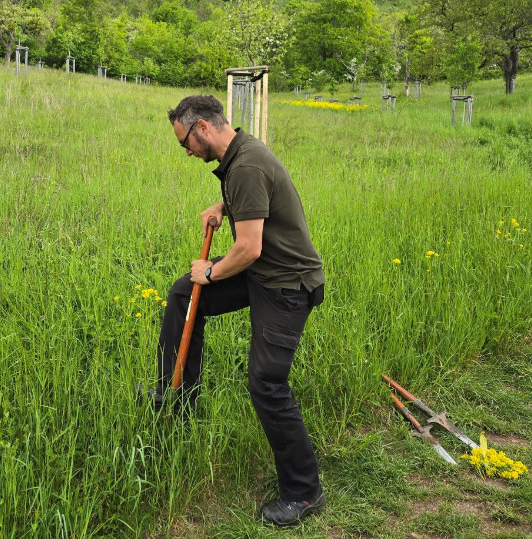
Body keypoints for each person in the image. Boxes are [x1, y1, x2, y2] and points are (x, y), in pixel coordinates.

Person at [152, 95, 326, 527]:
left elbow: (248, 248)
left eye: (185, 144)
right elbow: (256, 199)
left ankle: (304, 492)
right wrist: (224, 206)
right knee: (182, 295)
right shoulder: (241, 156)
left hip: (286, 285)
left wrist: (211, 272)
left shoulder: (245, 164)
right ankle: (177, 396)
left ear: (204, 128)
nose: (187, 153)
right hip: (262, 276)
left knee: (266, 382)